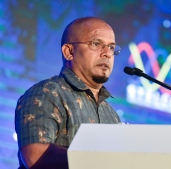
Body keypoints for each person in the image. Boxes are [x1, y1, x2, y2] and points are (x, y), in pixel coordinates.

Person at [15, 17, 121, 169]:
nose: (107, 54)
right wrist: (99, 161)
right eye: (96, 44)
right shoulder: (47, 93)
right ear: (69, 51)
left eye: (111, 47)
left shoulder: (111, 113)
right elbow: (35, 155)